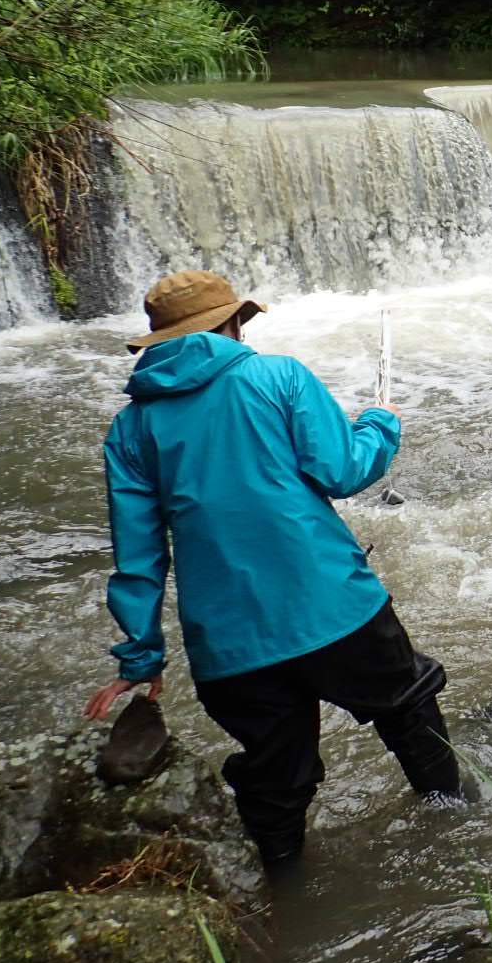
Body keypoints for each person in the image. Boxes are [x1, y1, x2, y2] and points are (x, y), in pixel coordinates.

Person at [85, 270, 463, 865]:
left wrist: (141, 657)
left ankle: (279, 907)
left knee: (276, 781)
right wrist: (381, 424)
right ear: (232, 323)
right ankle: (460, 831)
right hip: (334, 607)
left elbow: (137, 558)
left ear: (157, 344)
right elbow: (342, 471)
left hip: (229, 647)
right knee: (408, 709)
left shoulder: (129, 430)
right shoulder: (277, 375)